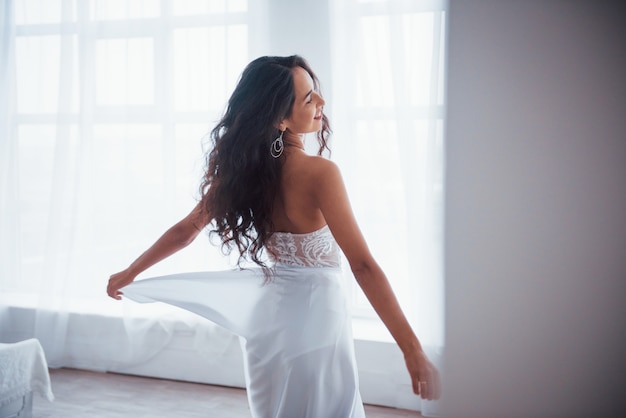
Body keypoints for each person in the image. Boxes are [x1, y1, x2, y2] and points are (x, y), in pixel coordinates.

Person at [107, 55, 440, 417]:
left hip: (268, 331)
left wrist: (131, 272)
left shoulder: (244, 174)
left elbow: (186, 230)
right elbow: (362, 266)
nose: (321, 103)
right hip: (317, 326)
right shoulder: (320, 174)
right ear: (280, 119)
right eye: (309, 98)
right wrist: (411, 348)